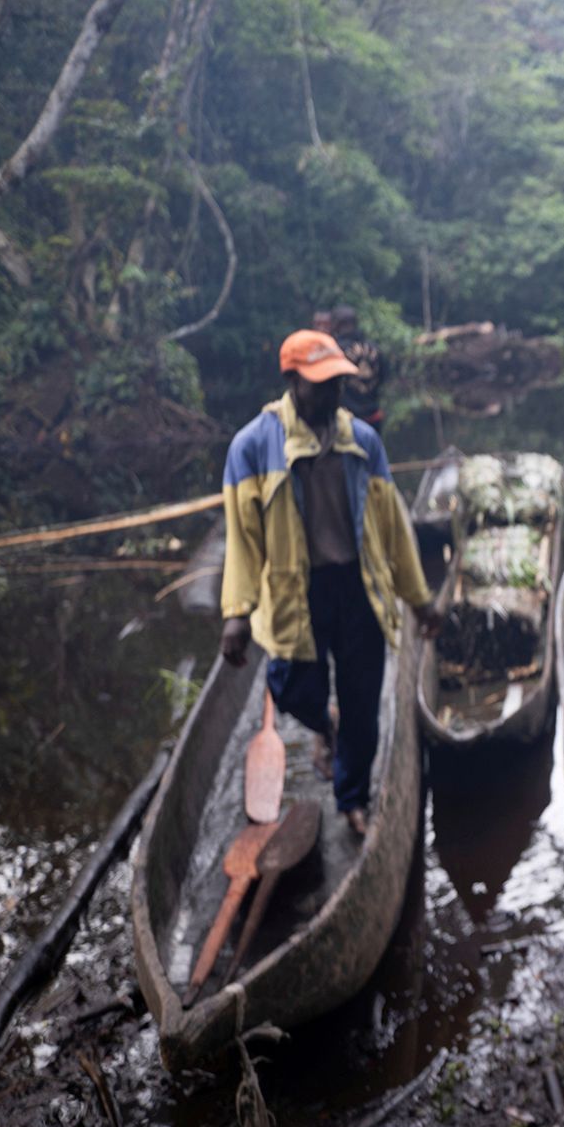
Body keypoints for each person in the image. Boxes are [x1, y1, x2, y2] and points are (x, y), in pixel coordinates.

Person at [219, 329, 438, 835]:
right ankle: (325, 724)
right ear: (292, 381)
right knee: (291, 688)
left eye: (338, 383)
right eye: (321, 384)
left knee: (364, 700)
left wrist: (419, 599)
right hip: (299, 591)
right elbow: (243, 538)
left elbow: (394, 529)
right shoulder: (253, 447)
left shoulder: (362, 441)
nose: (334, 394)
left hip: (358, 588)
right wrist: (237, 613)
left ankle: (352, 798)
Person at [329, 304, 387, 428]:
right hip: (374, 416)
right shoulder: (375, 348)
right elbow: (384, 376)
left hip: (346, 421)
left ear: (336, 325)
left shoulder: (335, 351)